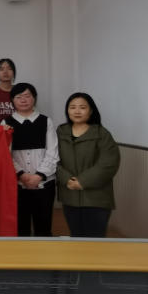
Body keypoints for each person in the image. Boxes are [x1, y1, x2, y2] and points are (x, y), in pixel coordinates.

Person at [57, 93, 120, 238]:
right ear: (67, 110)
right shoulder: (60, 132)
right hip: (70, 195)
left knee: (95, 239)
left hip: (96, 197)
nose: (77, 111)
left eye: (82, 107)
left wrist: (82, 181)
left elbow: (108, 163)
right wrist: (66, 178)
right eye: (72, 107)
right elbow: (52, 159)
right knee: (76, 236)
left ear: (91, 111)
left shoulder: (101, 133)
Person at [2, 83, 59, 237]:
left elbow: (52, 152)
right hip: (17, 184)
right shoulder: (6, 124)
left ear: (34, 98)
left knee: (44, 227)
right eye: (19, 97)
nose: (23, 100)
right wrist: (21, 175)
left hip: (45, 182)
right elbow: (5, 155)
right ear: (12, 100)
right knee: (20, 228)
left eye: (27, 96)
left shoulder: (46, 121)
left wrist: (39, 176)